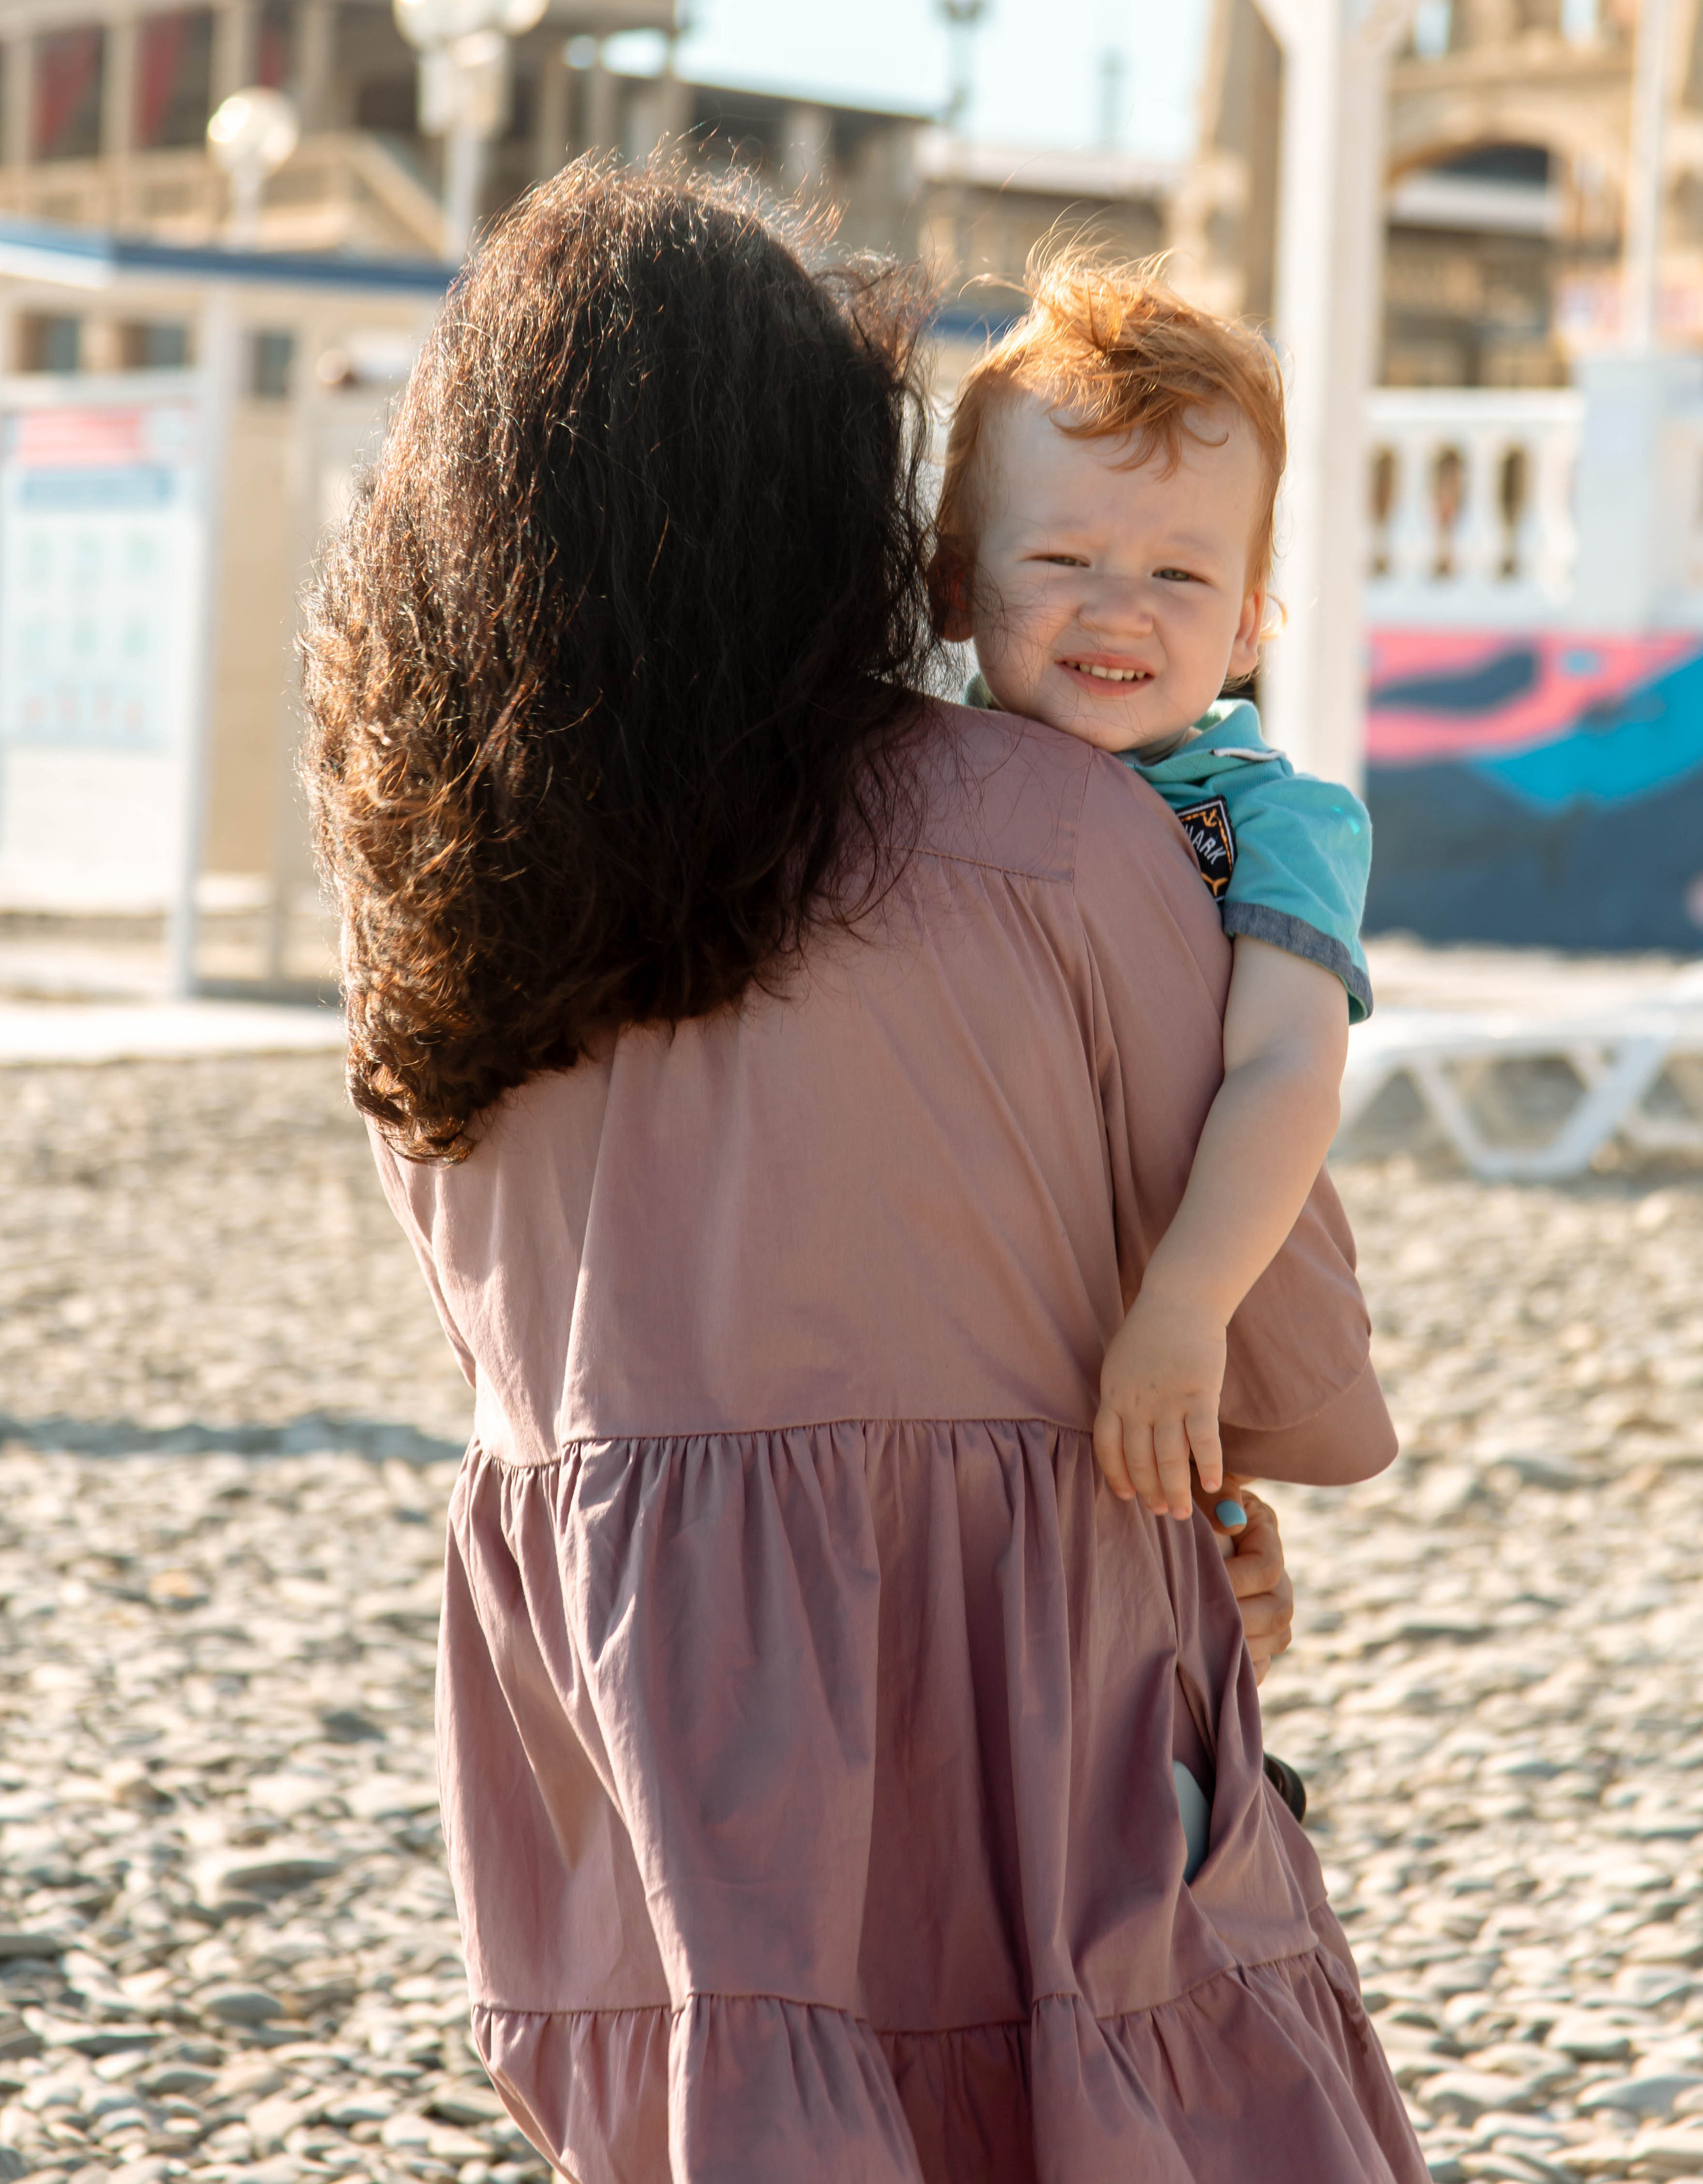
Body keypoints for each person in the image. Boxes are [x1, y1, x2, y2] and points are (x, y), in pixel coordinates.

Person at [302, 162, 1425, 2184]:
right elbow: (1286, 1351)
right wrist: (1220, 1487)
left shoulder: (441, 898)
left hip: (634, 1678)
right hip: (1011, 1654)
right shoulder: (1053, 837)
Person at [933, 257, 1372, 1528]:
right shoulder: (909, 788)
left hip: (1168, 1303)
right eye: (1064, 557)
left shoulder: (1272, 822)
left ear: (1246, 626)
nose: (1120, 611)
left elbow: (1288, 1069)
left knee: (1178, 1533)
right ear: (953, 585)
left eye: (1180, 577)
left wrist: (1187, 1309)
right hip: (954, 1317)